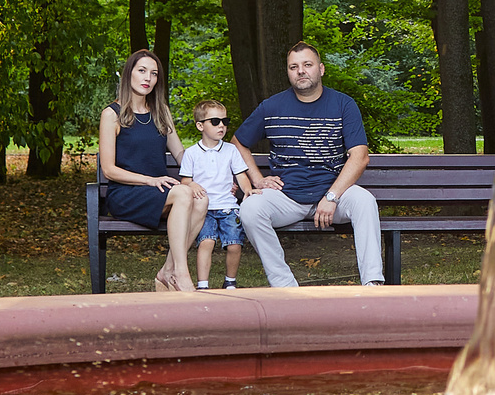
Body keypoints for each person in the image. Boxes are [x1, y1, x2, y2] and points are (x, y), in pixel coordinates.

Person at [236, 41, 383, 286]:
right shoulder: (271, 107)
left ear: (321, 69)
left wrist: (332, 196)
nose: (301, 71)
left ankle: (373, 283)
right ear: (288, 72)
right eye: (293, 67)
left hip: (333, 193)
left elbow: (360, 156)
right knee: (250, 209)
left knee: (365, 201)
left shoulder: (343, 105)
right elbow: (238, 144)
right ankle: (284, 285)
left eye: (307, 65)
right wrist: (257, 179)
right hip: (286, 196)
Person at [99, 49, 205, 292]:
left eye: (154, 73)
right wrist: (149, 180)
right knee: (182, 193)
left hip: (159, 191)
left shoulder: (161, 112)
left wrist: (210, 174)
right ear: (129, 74)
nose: (148, 78)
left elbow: (181, 155)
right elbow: (109, 170)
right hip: (126, 194)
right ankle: (181, 273)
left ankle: (167, 271)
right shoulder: (111, 115)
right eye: (142, 71)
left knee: (201, 200)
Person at [179, 99, 255, 288]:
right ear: (200, 126)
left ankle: (230, 282)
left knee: (235, 244)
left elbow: (241, 176)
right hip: (204, 209)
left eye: (225, 121)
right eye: (215, 121)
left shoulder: (231, 150)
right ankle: (202, 284)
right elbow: (185, 182)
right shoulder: (191, 153)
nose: (221, 126)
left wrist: (248, 190)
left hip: (228, 207)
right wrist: (192, 184)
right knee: (206, 243)